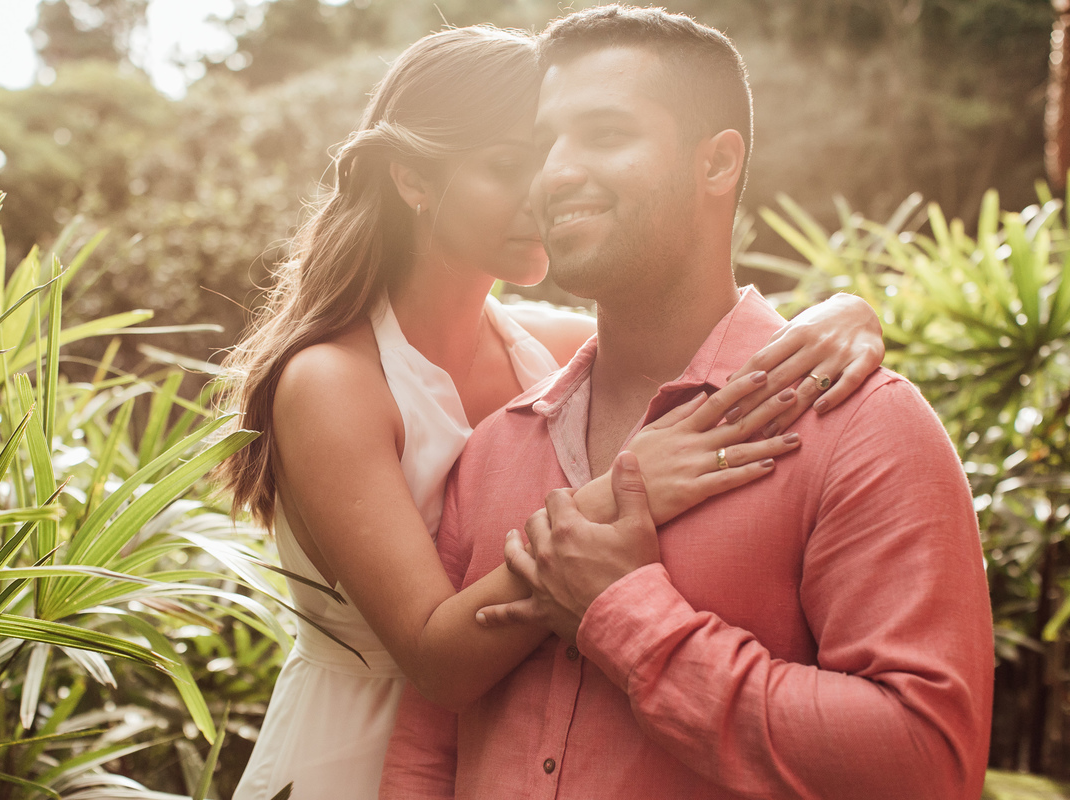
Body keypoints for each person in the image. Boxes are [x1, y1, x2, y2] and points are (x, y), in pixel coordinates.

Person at [219, 23, 886, 800]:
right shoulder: (332, 382)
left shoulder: (551, 346)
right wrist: (633, 484)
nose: (544, 189)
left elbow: (708, 334)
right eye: (508, 166)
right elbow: (435, 657)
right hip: (353, 758)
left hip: (496, 756)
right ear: (413, 179)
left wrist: (843, 311)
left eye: (550, 157)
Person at [380, 7, 994, 800]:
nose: (555, 173)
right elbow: (429, 746)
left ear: (717, 163)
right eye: (541, 146)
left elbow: (924, 765)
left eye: (603, 135)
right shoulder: (496, 446)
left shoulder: (862, 427)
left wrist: (627, 615)